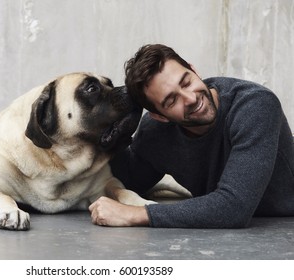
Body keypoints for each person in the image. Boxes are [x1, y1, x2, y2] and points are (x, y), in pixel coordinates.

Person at [88, 44, 294, 228]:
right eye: (171, 101)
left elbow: (234, 207)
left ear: (193, 70)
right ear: (160, 116)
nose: (191, 98)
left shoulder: (255, 106)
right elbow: (132, 179)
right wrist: (105, 132)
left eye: (186, 82)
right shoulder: (156, 133)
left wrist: (136, 214)